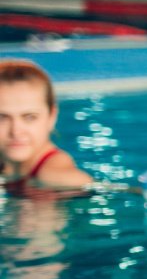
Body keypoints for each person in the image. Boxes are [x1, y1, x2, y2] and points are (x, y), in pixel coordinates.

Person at [0, 60, 93, 194]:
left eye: (30, 117)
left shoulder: (55, 178)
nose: (16, 131)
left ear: (51, 117)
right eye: (2, 118)